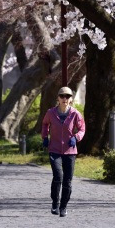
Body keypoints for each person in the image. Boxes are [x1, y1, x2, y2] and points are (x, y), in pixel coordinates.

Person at [41, 86, 85, 217]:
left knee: (68, 180)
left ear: (71, 99)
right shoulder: (51, 113)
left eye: (67, 96)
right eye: (62, 96)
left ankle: (63, 206)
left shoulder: (75, 114)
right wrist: (45, 137)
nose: (65, 99)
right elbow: (45, 124)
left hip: (70, 151)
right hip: (54, 150)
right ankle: (55, 203)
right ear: (58, 98)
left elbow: (82, 128)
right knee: (58, 177)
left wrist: (76, 137)